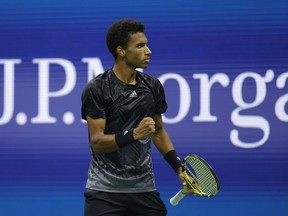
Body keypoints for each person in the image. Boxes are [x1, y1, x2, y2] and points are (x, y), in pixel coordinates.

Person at [81, 18, 186, 216]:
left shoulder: (153, 86)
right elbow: (96, 141)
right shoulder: (97, 88)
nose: (148, 51)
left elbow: (158, 131)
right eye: (140, 46)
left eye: (146, 44)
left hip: (144, 190)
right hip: (104, 193)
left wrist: (178, 167)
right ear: (121, 51)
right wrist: (134, 134)